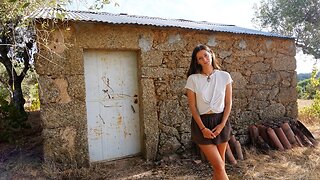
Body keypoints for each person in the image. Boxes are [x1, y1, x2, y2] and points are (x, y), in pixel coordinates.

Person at [185, 44, 232, 180]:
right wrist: (203, 128)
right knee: (218, 165)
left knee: (220, 164)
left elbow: (228, 103)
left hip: (221, 121)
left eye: (206, 55)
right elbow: (193, 107)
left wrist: (222, 124)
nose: (204, 59)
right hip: (202, 124)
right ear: (197, 61)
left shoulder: (225, 76)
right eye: (200, 58)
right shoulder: (193, 79)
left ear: (211, 54)